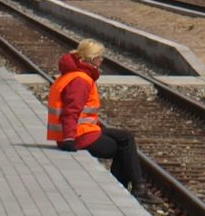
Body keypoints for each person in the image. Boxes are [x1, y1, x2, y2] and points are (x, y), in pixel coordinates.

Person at [46, 39, 151, 201]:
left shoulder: (73, 74)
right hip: (78, 136)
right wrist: (69, 139)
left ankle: (133, 187)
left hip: (80, 132)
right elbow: (71, 111)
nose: (102, 60)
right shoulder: (81, 80)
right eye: (100, 57)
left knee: (125, 138)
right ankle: (131, 188)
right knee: (121, 147)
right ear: (92, 58)